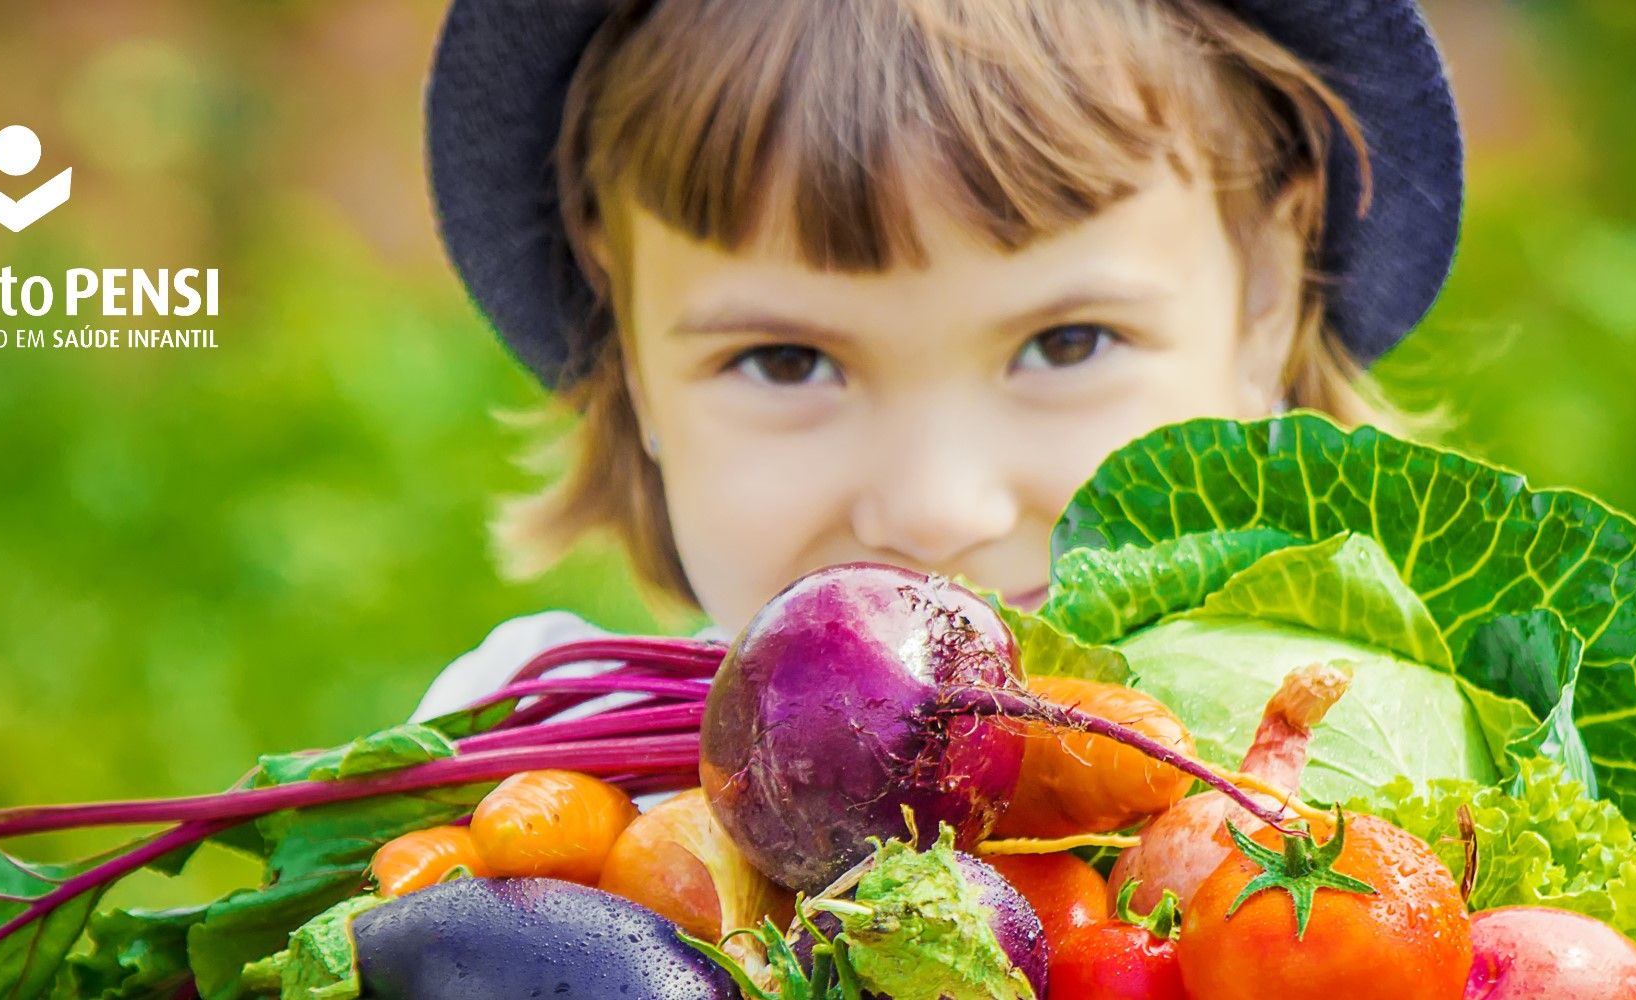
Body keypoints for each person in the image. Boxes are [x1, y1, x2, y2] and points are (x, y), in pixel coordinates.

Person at [410, 0, 1463, 725]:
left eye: (1066, 344)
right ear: (628, 344)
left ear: (1264, 302)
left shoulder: (1385, 814)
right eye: (783, 360)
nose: (933, 512)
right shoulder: (525, 776)